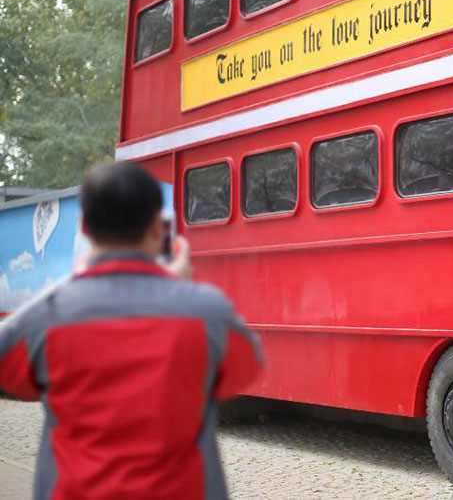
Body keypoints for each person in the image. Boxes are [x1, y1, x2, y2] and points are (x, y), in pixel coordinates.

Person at [0, 161, 263, 500]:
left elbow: (15, 376)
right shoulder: (206, 313)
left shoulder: (44, 319)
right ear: (158, 228)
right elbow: (241, 373)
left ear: (84, 227)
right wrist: (178, 285)